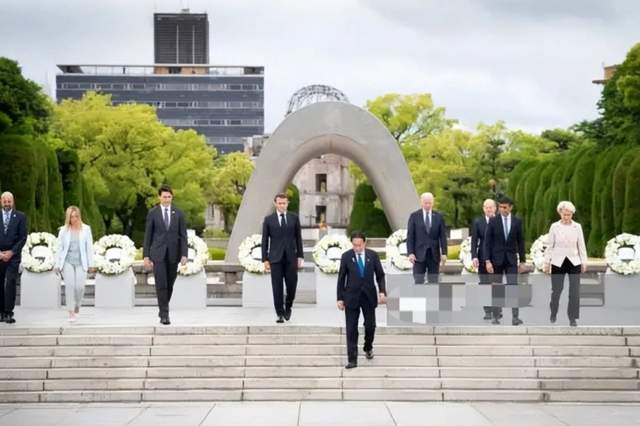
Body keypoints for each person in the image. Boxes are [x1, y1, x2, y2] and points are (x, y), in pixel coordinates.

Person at [337, 232, 386, 369]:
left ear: (364, 243)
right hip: (351, 297)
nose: (357, 248)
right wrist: (340, 298)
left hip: (368, 297)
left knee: (370, 326)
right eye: (354, 245)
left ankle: (368, 346)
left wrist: (382, 292)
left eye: (359, 245)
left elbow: (380, 275)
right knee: (351, 328)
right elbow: (341, 278)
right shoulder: (346, 257)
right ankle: (352, 359)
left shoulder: (373, 255)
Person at [143, 185, 187, 325]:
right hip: (158, 254)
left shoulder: (178, 213)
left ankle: (163, 308)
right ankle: (164, 314)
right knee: (161, 283)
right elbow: (148, 235)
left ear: (171, 197)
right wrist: (146, 256)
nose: (167, 199)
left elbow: (183, 235)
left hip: (174, 254)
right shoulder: (153, 213)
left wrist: (184, 254)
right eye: (164, 197)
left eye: (169, 197)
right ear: (159, 197)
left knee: (170, 284)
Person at [543, 201, 588, 327]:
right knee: (557, 290)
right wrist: (547, 262)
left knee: (574, 291)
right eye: (564, 214)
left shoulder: (577, 227)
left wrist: (584, 261)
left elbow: (581, 245)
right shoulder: (554, 226)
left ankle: (572, 317)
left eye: (569, 215)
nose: (566, 217)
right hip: (558, 261)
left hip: (574, 261)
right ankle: (553, 312)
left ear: (572, 214)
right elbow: (550, 246)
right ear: (560, 213)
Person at [484, 196, 526, 326]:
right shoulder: (493, 221)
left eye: (505, 207)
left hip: (511, 260)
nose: (502, 209)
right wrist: (487, 261)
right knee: (497, 288)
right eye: (500, 207)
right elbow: (487, 243)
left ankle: (515, 317)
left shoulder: (517, 222)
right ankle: (496, 317)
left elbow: (521, 242)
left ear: (510, 207)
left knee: (513, 287)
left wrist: (523, 261)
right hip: (496, 260)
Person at [262, 193, 304, 323]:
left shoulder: (294, 218)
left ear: (287, 203)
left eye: (284, 203)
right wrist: (265, 259)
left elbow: (298, 238)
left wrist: (300, 256)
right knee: (277, 286)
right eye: (279, 203)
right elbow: (264, 240)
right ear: (275, 203)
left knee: (292, 285)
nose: (282, 205)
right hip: (275, 258)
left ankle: (288, 305)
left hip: (291, 258)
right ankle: (279, 313)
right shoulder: (268, 220)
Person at [55, 206, 95, 322]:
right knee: (70, 286)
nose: (74, 219)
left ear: (79, 216)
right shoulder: (63, 230)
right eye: (71, 217)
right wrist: (57, 264)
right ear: (68, 218)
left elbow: (89, 248)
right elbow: (59, 248)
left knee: (80, 287)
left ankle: (77, 304)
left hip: (81, 262)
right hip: (67, 262)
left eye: (76, 216)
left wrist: (91, 264)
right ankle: (71, 312)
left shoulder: (86, 229)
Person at [406, 192, 448, 284]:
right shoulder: (414, 216)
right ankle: (420, 298)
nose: (428, 205)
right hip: (418, 255)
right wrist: (410, 253)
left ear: (433, 202)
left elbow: (443, 236)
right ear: (421, 202)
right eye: (425, 203)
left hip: (434, 255)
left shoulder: (438, 217)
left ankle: (431, 298)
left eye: (429, 202)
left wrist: (444, 253)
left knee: (433, 281)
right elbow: (410, 237)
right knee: (418, 280)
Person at [0, 192, 27, 324]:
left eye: (9, 201)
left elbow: (23, 237)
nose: (7, 203)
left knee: (10, 282)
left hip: (13, 256)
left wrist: (11, 252)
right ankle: (0, 312)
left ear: (13, 201)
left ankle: (8, 312)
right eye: (4, 201)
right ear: (1, 201)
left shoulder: (20, 216)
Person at [471, 199, 497, 320]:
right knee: (484, 284)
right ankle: (487, 310)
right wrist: (474, 256)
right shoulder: (478, 222)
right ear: (483, 209)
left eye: (491, 207)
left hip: (498, 257)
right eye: (486, 207)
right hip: (482, 257)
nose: (489, 209)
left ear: (495, 208)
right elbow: (474, 240)